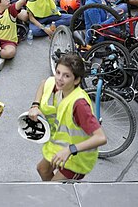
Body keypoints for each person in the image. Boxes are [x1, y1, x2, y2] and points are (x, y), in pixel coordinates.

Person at [28, 53, 107, 181]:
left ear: (76, 80)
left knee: (56, 189)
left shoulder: (79, 104)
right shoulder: (59, 86)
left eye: (66, 76)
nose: (59, 78)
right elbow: (44, 83)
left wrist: (70, 150)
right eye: (58, 72)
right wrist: (35, 105)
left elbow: (101, 138)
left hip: (77, 158)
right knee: (42, 169)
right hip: (61, 147)